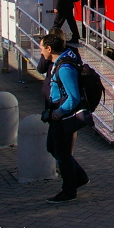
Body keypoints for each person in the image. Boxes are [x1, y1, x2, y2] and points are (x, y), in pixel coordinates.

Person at [40, 33, 90, 203]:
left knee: (61, 153)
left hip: (62, 117)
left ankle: (69, 190)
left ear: (49, 48)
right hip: (57, 115)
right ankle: (80, 177)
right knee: (53, 148)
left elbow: (73, 97)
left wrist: (58, 113)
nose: (40, 52)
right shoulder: (59, 62)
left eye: (41, 48)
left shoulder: (65, 68)